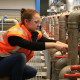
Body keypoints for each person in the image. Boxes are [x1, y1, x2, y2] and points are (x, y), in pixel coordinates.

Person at [0, 8, 68, 80]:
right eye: (36, 22)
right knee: (20, 57)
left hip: (8, 63)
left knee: (32, 72)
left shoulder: (32, 32)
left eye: (39, 22)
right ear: (26, 21)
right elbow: (31, 45)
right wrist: (55, 45)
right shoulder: (15, 34)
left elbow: (45, 40)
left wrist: (62, 44)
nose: (39, 25)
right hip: (1, 62)